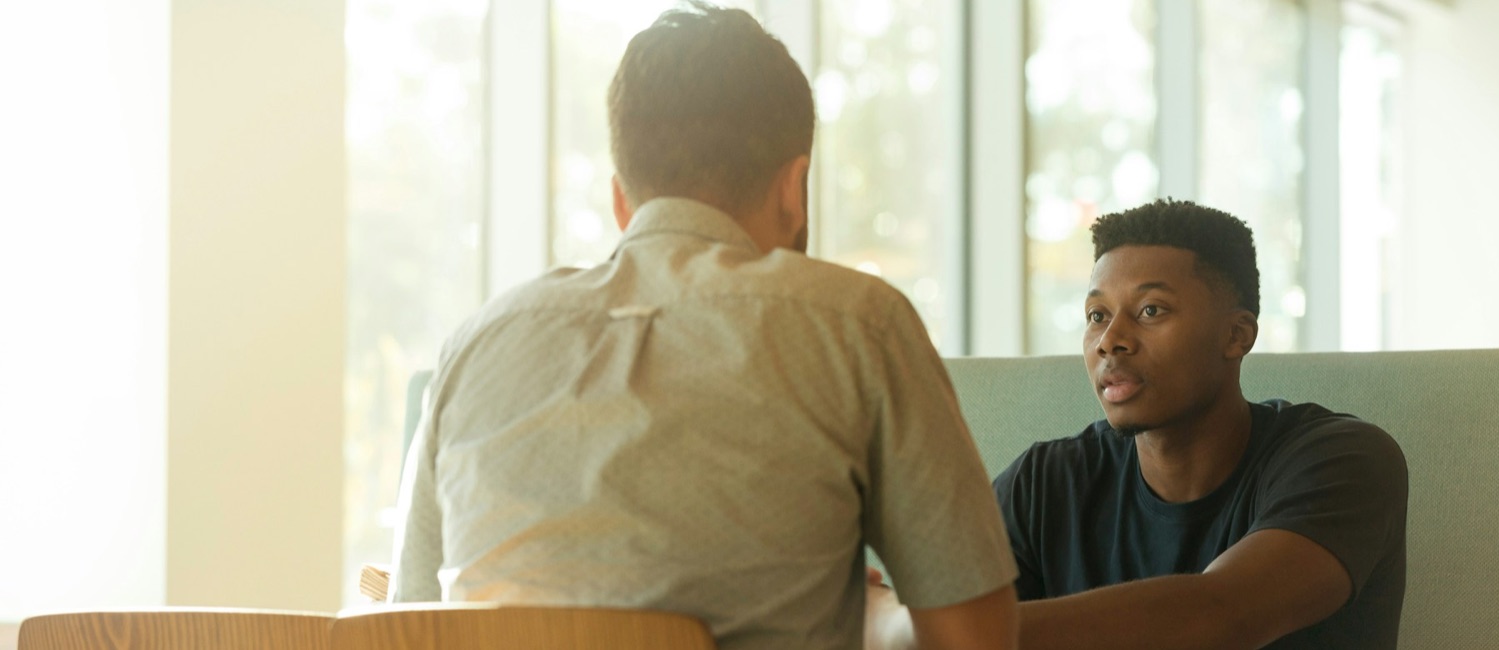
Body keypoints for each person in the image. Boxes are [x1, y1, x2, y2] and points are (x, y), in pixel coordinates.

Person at [387, 4, 1018, 649]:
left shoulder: (473, 347)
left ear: (622, 200)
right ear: (794, 189)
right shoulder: (860, 325)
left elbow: (405, 626)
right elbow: (973, 640)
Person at [869, 199, 1408, 649]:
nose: (1111, 340)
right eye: (1097, 315)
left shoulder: (1344, 461)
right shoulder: (1045, 484)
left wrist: (913, 631)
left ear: (1237, 335)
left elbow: (1221, 615)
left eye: (1151, 310)